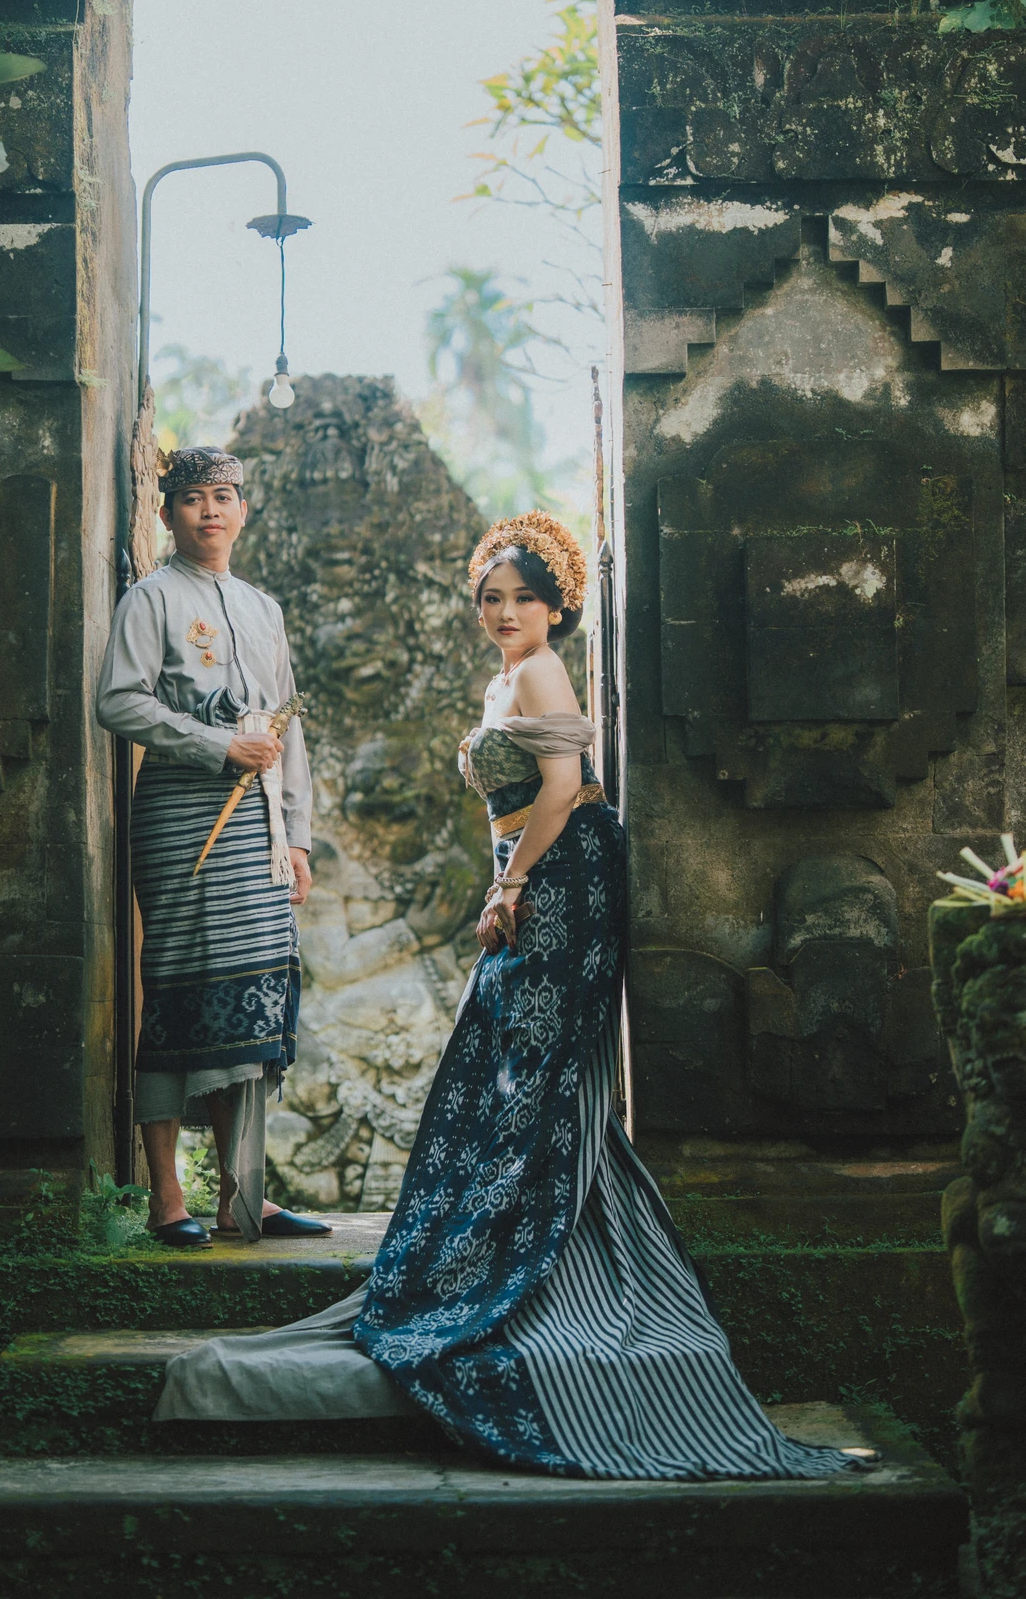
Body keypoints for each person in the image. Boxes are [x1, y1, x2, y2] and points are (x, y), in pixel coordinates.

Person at [154, 510, 870, 1479]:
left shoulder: (540, 673)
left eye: (523, 598)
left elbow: (564, 787)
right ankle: (528, 1238)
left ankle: (537, 1255)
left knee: (531, 1060)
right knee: (502, 1060)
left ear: (555, 606)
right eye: (490, 598)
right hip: (531, 873)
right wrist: (508, 877)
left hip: (563, 876)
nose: (503, 613)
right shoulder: (504, 677)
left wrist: (510, 884)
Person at [96, 445, 333, 1249]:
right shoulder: (150, 598)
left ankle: (242, 1195)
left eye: (223, 497)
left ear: (243, 510)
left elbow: (285, 732)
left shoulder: (263, 608)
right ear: (167, 513)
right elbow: (117, 701)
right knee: (179, 992)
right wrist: (214, 744)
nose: (210, 510)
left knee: (254, 996)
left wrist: (297, 840)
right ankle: (167, 1198)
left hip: (258, 829)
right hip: (180, 818)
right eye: (193, 498)